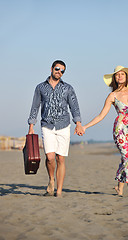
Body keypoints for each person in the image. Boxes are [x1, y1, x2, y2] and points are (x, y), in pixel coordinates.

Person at [77, 65, 128, 198]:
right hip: (120, 130)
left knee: (127, 158)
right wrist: (85, 127)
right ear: (114, 78)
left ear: (126, 77)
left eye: (122, 74)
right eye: (117, 75)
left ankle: (119, 186)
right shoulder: (112, 95)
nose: (119, 76)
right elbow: (101, 116)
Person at [28, 60, 83, 197]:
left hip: (64, 125)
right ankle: (51, 179)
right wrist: (31, 126)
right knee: (50, 157)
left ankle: (59, 191)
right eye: (57, 69)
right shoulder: (40, 87)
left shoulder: (68, 88)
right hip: (47, 125)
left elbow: (74, 106)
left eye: (62, 71)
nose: (59, 72)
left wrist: (78, 123)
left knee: (61, 159)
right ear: (52, 68)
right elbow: (35, 107)